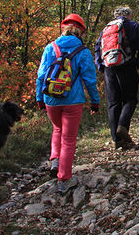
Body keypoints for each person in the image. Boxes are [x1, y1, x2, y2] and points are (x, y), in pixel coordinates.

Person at [36, 13, 101, 193]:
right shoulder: (83, 52)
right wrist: (95, 102)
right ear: (80, 31)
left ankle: (55, 161)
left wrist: (39, 98)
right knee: (69, 139)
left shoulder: (50, 48)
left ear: (63, 28)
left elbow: (41, 76)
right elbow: (90, 80)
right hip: (73, 100)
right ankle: (64, 180)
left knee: (57, 129)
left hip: (51, 99)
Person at [95, 6, 139, 149]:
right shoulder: (133, 25)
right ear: (128, 15)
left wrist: (101, 67)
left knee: (113, 103)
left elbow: (97, 47)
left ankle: (116, 140)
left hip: (109, 69)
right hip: (127, 65)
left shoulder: (106, 28)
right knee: (130, 99)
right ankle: (122, 126)